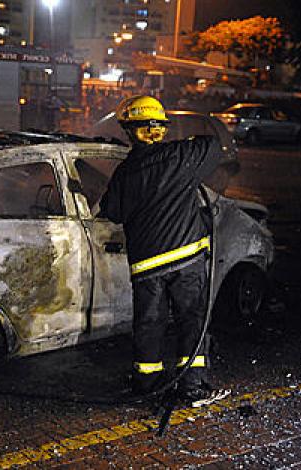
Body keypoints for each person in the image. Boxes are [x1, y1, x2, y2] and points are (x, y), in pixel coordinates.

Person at [99, 95, 237, 402]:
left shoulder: (125, 173)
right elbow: (214, 147)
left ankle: (147, 383)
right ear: (161, 128)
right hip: (186, 258)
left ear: (130, 131)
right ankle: (192, 386)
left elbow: (112, 212)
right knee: (191, 320)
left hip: (146, 266)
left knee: (149, 324)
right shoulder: (182, 156)